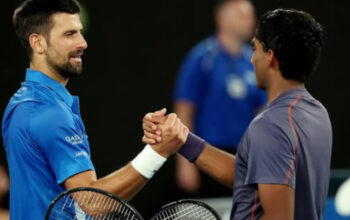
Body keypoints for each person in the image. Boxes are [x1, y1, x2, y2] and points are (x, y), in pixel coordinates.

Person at [1, 0, 188, 219]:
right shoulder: (50, 114)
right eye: (70, 34)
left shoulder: (21, 103)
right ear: (38, 43)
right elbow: (94, 203)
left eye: (80, 32)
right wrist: (157, 153)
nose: (83, 43)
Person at [143, 8, 332, 220]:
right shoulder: (318, 114)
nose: (252, 59)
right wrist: (183, 141)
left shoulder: (270, 126)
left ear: (270, 57)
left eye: (255, 49)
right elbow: (252, 175)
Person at [173, 0, 266, 194]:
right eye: (242, 15)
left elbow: (263, 112)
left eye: (251, 15)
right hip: (206, 155)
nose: (250, 21)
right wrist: (185, 162)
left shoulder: (254, 61)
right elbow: (184, 110)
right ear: (222, 19)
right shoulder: (202, 58)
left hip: (244, 158)